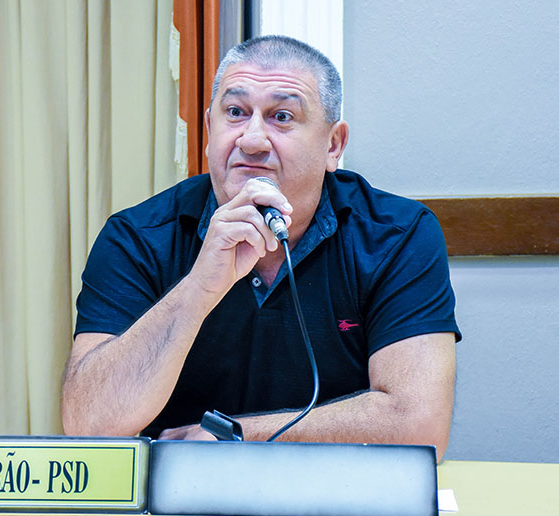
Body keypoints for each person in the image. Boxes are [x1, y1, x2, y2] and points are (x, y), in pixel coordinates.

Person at [60, 35, 460, 460]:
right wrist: (199, 288)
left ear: (333, 145)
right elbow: (89, 424)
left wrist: (232, 437)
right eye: (235, 112)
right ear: (209, 130)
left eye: (281, 116)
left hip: (333, 485)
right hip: (181, 488)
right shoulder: (137, 236)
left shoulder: (397, 235)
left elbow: (418, 425)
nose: (251, 140)